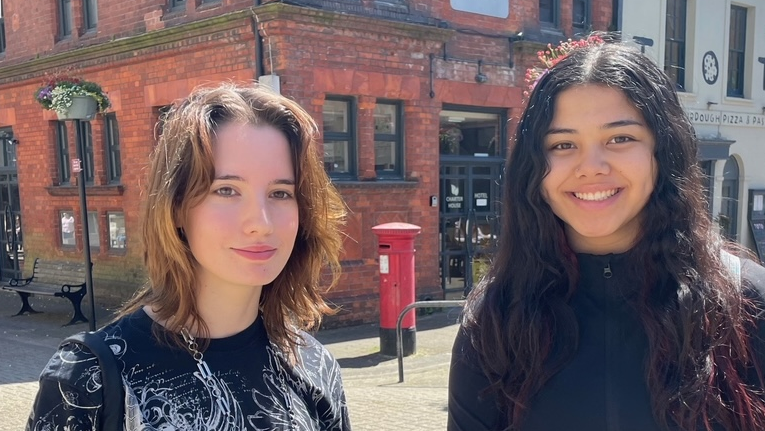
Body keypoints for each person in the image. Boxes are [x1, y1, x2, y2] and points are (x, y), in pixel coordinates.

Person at [448, 38, 765, 431]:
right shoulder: (495, 318)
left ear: (662, 151)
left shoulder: (746, 302)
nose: (591, 167)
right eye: (563, 144)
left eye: (620, 138)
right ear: (534, 170)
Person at [27, 83, 351, 430]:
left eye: (280, 193)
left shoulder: (314, 365)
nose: (261, 222)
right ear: (177, 207)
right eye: (226, 190)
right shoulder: (90, 380)